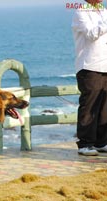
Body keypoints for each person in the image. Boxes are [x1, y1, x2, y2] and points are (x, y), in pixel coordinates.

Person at [72, 0, 107, 156]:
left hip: (105, 65)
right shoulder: (81, 11)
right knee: (89, 105)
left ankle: (101, 142)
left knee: (105, 107)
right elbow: (91, 34)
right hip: (90, 65)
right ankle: (85, 144)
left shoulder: (103, 11)